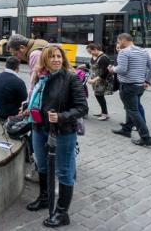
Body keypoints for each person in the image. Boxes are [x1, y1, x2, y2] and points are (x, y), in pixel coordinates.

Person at [25, 45, 88, 228]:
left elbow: (82, 108)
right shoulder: (40, 76)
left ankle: (62, 212)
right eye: (52, 56)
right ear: (45, 59)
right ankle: (45, 198)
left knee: (64, 171)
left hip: (63, 132)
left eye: (59, 56)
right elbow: (37, 99)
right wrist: (29, 107)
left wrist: (61, 116)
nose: (56, 60)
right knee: (42, 165)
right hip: (39, 127)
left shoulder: (71, 77)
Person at [109, 33, 151, 147]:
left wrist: (112, 69)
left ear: (123, 40)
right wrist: (147, 81)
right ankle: (126, 129)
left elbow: (122, 69)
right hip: (140, 86)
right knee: (131, 108)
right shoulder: (143, 51)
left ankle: (146, 138)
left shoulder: (124, 52)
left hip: (128, 86)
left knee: (133, 111)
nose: (118, 44)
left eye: (119, 41)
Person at [0, 56, 27, 121]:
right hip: (11, 114)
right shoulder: (19, 82)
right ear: (18, 68)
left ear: (6, 65)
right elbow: (24, 98)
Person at [86, 43, 113, 121]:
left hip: (101, 80)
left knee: (99, 96)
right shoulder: (95, 56)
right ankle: (103, 112)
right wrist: (84, 65)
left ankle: (105, 114)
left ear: (95, 49)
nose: (90, 53)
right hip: (97, 80)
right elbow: (92, 65)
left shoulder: (104, 58)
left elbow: (105, 72)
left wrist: (94, 80)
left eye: (90, 52)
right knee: (99, 96)